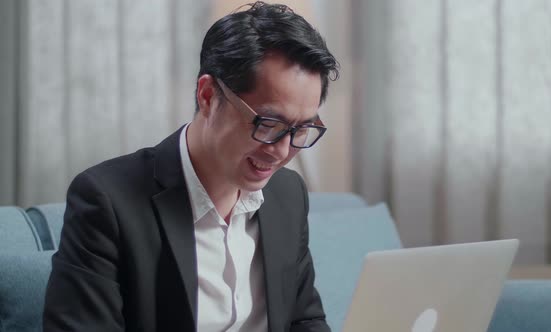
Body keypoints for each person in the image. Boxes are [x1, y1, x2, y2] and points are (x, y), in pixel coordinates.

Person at [43, 2, 339, 331]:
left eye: (301, 129)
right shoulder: (108, 202)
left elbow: (304, 319)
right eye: (268, 124)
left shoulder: (288, 195)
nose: (282, 151)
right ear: (208, 95)